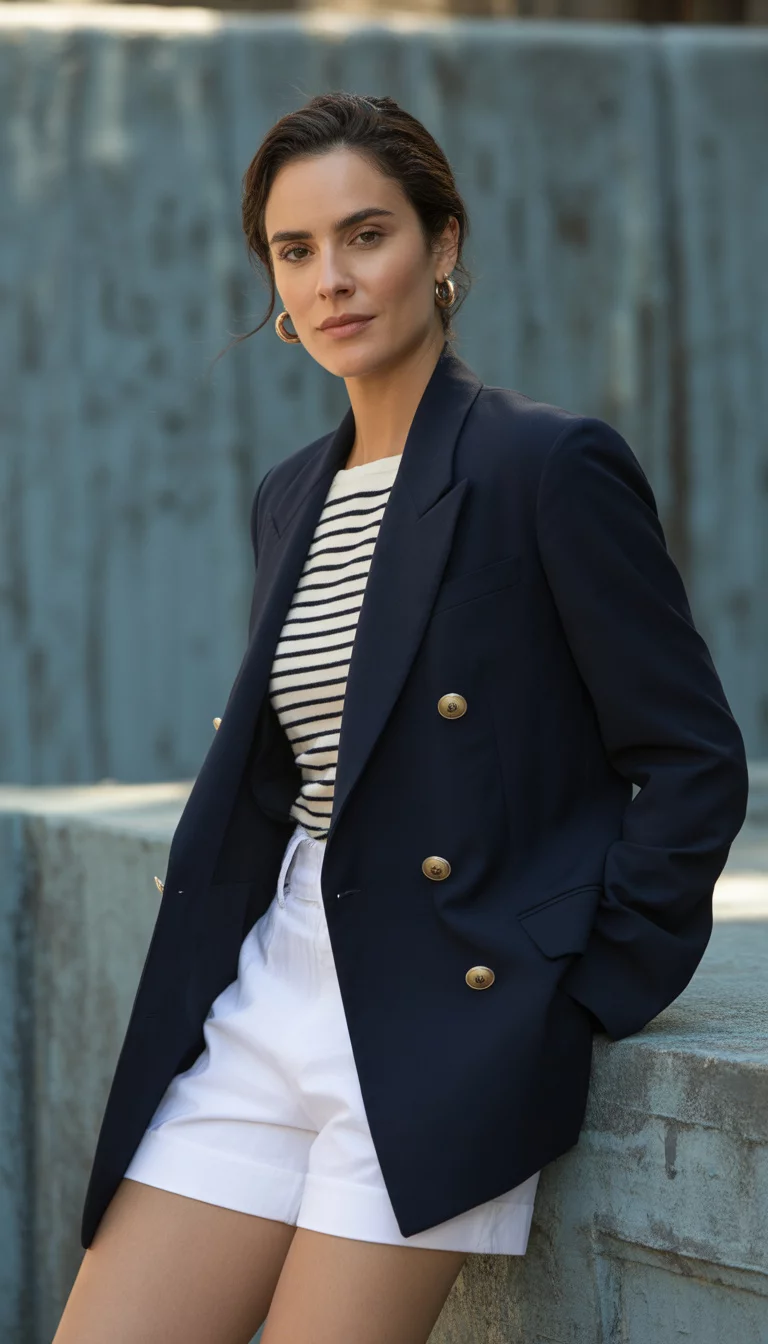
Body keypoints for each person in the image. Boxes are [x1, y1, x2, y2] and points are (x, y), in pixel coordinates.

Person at [54, 92, 749, 1344]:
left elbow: (688, 754)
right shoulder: (290, 498)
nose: (333, 279)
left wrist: (578, 993)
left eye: (366, 235)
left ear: (442, 245)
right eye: (296, 249)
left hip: (446, 1011)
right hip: (270, 991)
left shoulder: (548, 464)